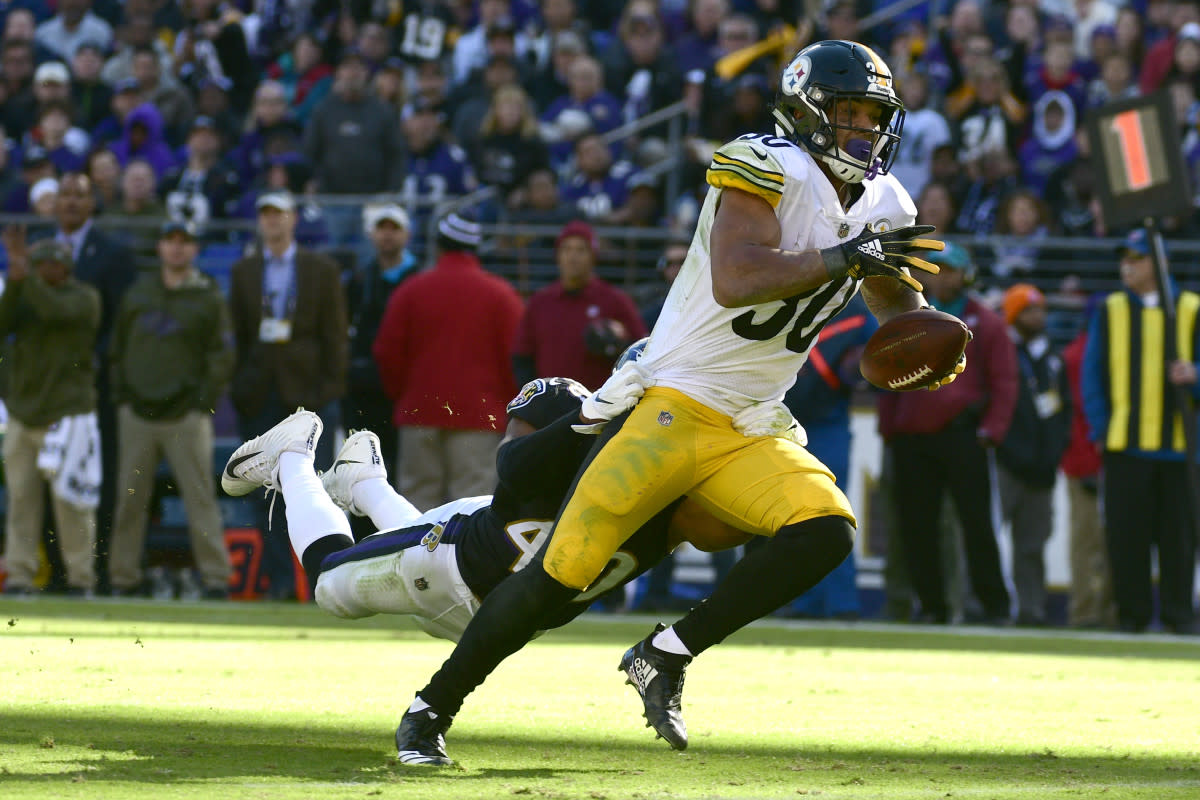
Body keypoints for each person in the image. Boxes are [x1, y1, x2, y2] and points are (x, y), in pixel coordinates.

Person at [394, 39, 953, 765]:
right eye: (847, 112)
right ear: (807, 110)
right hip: (672, 403)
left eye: (872, 115)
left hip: (752, 421)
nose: (862, 130)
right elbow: (738, 275)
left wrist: (926, 338)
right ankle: (429, 711)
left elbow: (893, 305)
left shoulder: (885, 201)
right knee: (557, 578)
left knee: (825, 529)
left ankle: (666, 652)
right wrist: (849, 256)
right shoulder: (764, 162)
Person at [220, 378, 751, 646]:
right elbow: (516, 462)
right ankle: (294, 455)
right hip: (459, 556)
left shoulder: (644, 484)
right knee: (331, 585)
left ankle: (363, 481)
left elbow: (718, 524)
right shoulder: (546, 456)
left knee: (409, 560)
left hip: (491, 599)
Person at [878, 241, 1017, 625]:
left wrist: (991, 430)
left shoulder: (986, 323)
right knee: (917, 526)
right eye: (934, 269)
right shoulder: (908, 319)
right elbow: (888, 373)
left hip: (964, 435)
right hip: (912, 438)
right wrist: (889, 428)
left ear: (965, 274)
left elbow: (1005, 381)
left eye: (950, 270)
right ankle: (932, 606)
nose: (942, 277)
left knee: (977, 525)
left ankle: (993, 606)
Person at [228, 190, 348, 600]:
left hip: (309, 397)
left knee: (316, 493)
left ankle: (325, 581)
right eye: (266, 214)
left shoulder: (321, 270)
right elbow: (240, 338)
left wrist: (327, 391)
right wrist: (242, 389)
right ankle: (280, 582)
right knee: (267, 498)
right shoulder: (244, 271)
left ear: (293, 219)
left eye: (279, 214)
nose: (273, 221)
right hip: (261, 396)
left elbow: (335, 336)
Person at [106, 221, 235, 599]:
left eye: (185, 242)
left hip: (186, 415)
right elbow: (117, 349)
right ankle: (123, 577)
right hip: (137, 413)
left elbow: (222, 354)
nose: (177, 249)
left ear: (195, 249)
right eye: (170, 241)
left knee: (200, 498)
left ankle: (216, 579)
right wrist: (123, 397)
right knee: (130, 499)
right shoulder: (139, 291)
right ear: (161, 247)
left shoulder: (207, 294)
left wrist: (201, 402)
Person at [1082, 229, 1200, 634]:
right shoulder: (1110, 309)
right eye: (1124, 258)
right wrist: (1102, 428)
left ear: (1159, 264)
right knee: (1126, 540)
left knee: (1179, 542)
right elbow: (1092, 376)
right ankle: (1130, 617)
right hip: (1124, 446)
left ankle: (1178, 616)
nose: (1127, 266)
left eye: (1137, 258)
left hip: (1180, 449)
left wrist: (1195, 374)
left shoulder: (1192, 308)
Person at [372, 213, 523, 511]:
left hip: (419, 413)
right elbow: (516, 359)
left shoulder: (411, 292)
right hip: (480, 419)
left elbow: (386, 352)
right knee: (470, 509)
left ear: (438, 247)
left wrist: (404, 395)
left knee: (415, 509)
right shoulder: (502, 296)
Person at [0, 234, 101, 596]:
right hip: (24, 414)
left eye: (52, 264)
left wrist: (23, 277)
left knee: (72, 502)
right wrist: (14, 281)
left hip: (67, 416)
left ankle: (80, 578)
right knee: (20, 501)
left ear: (66, 268)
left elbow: (54, 311)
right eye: (40, 263)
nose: (46, 270)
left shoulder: (84, 298)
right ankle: (20, 575)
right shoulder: (25, 292)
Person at [995, 284, 1071, 627]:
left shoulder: (1052, 356)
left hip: (1042, 466)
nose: (1037, 316)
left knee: (1033, 543)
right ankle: (987, 604)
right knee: (992, 536)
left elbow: (1063, 409)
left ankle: (1032, 608)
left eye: (1040, 309)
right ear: (1013, 314)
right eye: (1028, 310)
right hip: (1007, 461)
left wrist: (1053, 454)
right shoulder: (1003, 350)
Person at [511, 220, 647, 391]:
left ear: (593, 256)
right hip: (550, 408)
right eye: (566, 249)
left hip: (598, 408)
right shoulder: (540, 302)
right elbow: (522, 357)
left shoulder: (615, 301)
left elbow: (641, 351)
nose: (572, 256)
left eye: (581, 250)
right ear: (557, 255)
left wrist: (618, 343)